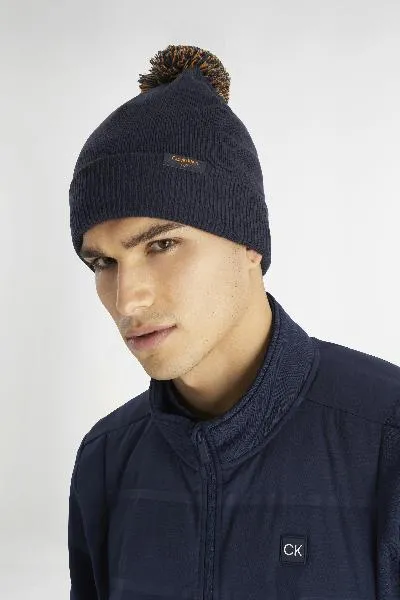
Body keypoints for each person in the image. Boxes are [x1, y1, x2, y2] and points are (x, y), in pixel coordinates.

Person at [68, 44, 400, 600]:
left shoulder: (386, 437)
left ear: (248, 244)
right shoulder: (107, 459)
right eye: (103, 263)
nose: (128, 299)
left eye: (162, 244)